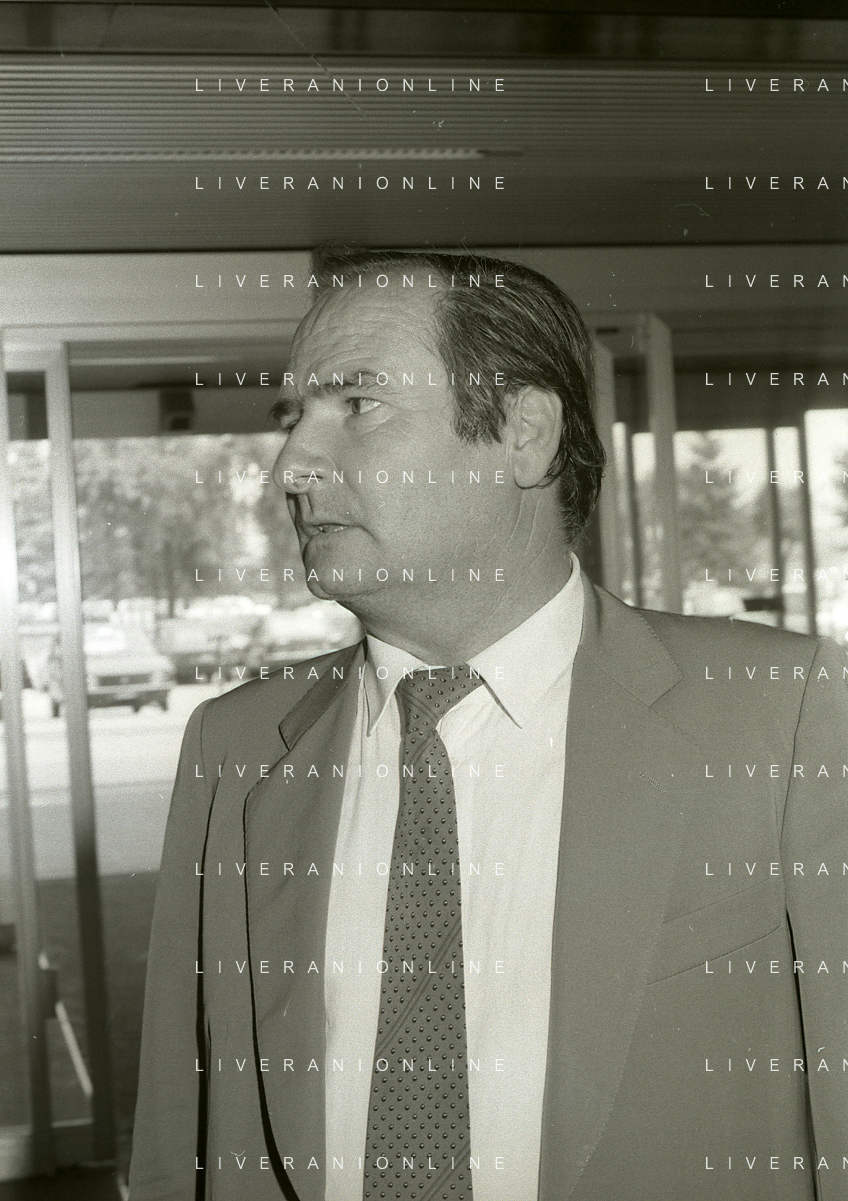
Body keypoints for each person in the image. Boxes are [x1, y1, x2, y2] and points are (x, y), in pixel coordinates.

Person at [128, 249, 847, 1201]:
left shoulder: (783, 714)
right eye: (292, 416)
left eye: (357, 403)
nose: (291, 465)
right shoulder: (235, 749)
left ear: (523, 433)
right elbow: (180, 1138)